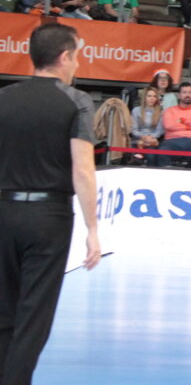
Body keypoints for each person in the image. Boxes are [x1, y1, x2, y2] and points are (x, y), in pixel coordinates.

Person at [0, 23, 101, 383]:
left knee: (4, 311)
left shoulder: (4, 98)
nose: (77, 65)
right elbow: (84, 170)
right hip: (49, 217)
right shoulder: (76, 101)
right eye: (76, 56)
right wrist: (93, 229)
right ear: (64, 57)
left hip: (4, 212)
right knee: (34, 317)